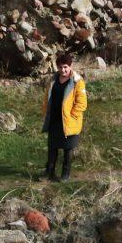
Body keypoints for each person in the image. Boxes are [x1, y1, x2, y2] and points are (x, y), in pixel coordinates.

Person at [42, 53, 88, 182]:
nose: (63, 70)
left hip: (69, 122)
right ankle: (49, 173)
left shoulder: (77, 82)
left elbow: (82, 104)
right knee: (52, 147)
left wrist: (71, 116)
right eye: (61, 67)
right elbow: (47, 98)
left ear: (71, 66)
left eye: (66, 67)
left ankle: (65, 175)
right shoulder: (53, 80)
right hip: (54, 120)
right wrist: (45, 111)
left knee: (68, 149)